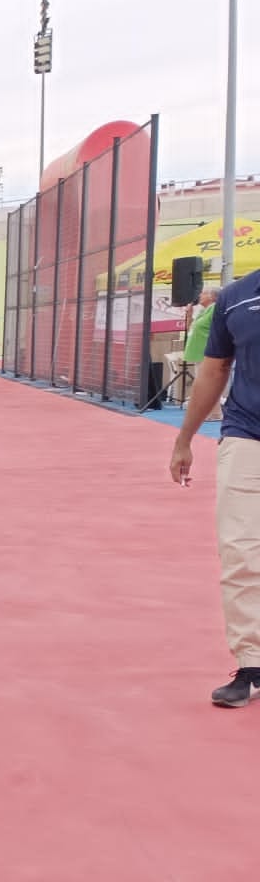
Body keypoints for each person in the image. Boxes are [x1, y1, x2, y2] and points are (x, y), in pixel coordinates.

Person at [169, 267, 260, 706]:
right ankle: (252, 665)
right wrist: (185, 438)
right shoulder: (237, 297)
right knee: (241, 551)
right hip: (247, 435)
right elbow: (214, 369)